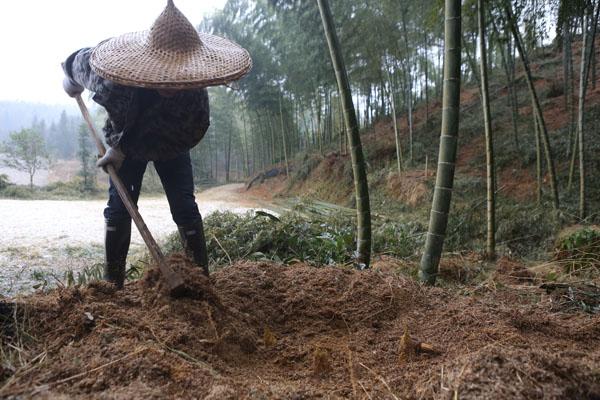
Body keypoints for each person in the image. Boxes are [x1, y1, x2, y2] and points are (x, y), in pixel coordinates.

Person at [61, 0, 251, 288]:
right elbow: (74, 62)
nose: (173, 83)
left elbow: (188, 135)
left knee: (184, 206)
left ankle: (201, 281)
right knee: (118, 208)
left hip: (170, 144)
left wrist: (122, 149)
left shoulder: (194, 97)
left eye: (180, 74)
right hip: (124, 141)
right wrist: (68, 79)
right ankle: (112, 286)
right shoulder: (108, 76)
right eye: (165, 72)